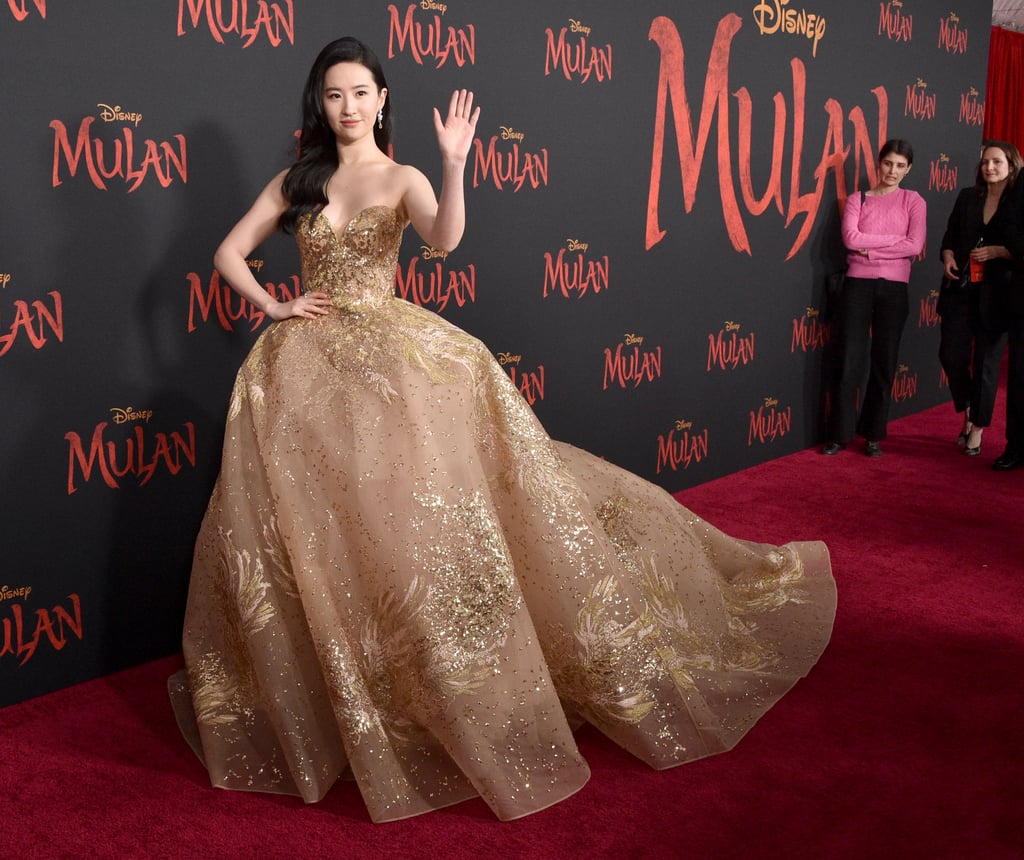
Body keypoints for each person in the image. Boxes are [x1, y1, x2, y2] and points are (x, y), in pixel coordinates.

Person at [168, 37, 836, 823]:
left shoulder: (403, 176)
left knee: (404, 525)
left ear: (383, 100)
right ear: (319, 104)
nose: (346, 107)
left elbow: (444, 240)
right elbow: (226, 252)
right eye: (333, 95)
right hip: (303, 376)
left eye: (359, 93)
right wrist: (275, 306)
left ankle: (424, 687)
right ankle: (344, 694)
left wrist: (454, 163)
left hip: (389, 370)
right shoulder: (298, 181)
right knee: (320, 533)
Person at [822, 139, 927, 457]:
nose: (892, 171)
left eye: (900, 166)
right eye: (887, 164)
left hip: (895, 289)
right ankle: (840, 434)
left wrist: (871, 247)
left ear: (908, 169)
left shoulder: (914, 201)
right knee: (849, 358)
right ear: (878, 164)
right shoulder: (859, 199)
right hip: (857, 286)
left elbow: (914, 245)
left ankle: (872, 434)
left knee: (885, 360)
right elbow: (850, 239)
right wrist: (891, 241)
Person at [937, 141, 1018, 457]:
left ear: (1011, 165)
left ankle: (978, 428)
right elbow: (949, 236)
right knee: (950, 354)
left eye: (997, 162)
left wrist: (999, 251)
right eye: (986, 162)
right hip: (960, 287)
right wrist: (946, 256)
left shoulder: (1018, 201)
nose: (990, 168)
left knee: (987, 363)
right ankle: (969, 407)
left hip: (998, 294)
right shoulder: (968, 197)